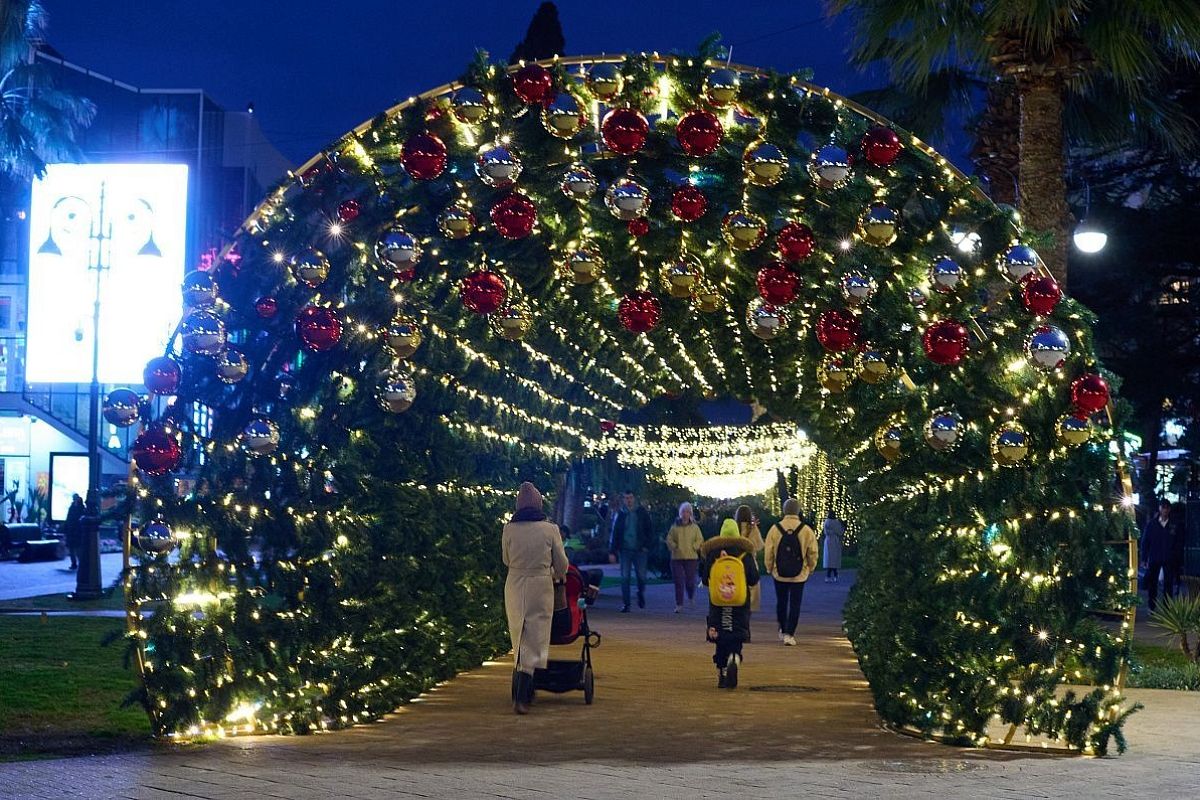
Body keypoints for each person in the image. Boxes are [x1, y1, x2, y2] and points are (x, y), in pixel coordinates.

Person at [502, 482, 568, 714]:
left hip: (515, 584)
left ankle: (521, 687)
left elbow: (506, 559)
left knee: (518, 634)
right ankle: (523, 692)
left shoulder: (509, 529)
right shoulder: (549, 529)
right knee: (535, 637)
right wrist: (554, 573)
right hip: (540, 586)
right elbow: (562, 564)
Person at [700, 519, 760, 689]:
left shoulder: (712, 554)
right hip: (740, 601)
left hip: (718, 602)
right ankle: (735, 655)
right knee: (737, 631)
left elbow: (705, 579)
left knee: (720, 634)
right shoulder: (744, 554)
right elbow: (754, 579)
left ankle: (722, 669)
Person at [764, 499, 820, 646]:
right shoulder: (806, 530)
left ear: (784, 510)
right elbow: (813, 552)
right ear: (798, 511)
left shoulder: (775, 529)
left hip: (779, 573)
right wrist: (811, 567)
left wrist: (769, 567)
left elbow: (768, 552)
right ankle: (790, 633)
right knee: (795, 603)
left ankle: (782, 629)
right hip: (799, 574)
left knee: (781, 602)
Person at [609, 489, 654, 612]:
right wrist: (612, 551)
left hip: (640, 550)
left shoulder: (641, 513)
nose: (628, 500)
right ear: (624, 500)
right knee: (625, 577)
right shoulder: (621, 514)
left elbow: (649, 530)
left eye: (630, 498)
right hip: (625, 550)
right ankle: (626, 603)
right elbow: (615, 533)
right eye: (626, 498)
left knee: (641, 576)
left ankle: (640, 592)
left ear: (634, 499)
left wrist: (647, 545)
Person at [665, 501, 704, 612]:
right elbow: (669, 539)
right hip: (676, 557)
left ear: (690, 514)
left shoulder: (695, 527)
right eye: (683, 512)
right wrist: (674, 546)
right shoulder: (674, 527)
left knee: (690, 582)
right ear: (680, 513)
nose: (685, 514)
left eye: (687, 512)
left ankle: (691, 596)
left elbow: (700, 539)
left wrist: (695, 546)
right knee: (678, 581)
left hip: (691, 557)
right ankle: (679, 604)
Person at [1140, 499, 1173, 612]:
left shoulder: (1173, 524)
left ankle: (1167, 608)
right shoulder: (1152, 524)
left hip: (1169, 558)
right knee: (1152, 583)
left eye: (1167, 508)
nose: (1165, 510)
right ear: (1159, 508)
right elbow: (1145, 542)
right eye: (1163, 507)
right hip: (1154, 557)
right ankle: (1151, 606)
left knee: (1168, 584)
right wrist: (1143, 559)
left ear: (1169, 509)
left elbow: (1178, 542)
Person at [734, 505, 765, 611]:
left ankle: (737, 603)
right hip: (750, 560)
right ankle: (750, 607)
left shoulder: (734, 527)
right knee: (752, 585)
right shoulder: (752, 528)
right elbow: (760, 545)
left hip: (736, 561)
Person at [1165, 501, 1186, 598]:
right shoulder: (1178, 523)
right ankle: (1176, 585)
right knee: (1175, 571)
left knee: (1170, 574)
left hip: (1172, 552)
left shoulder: (1173, 522)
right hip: (1176, 552)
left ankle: (1174, 587)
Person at [821, 513, 845, 583]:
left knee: (829, 558)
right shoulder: (837, 523)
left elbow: (825, 532)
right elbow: (840, 532)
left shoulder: (826, 522)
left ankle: (828, 576)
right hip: (835, 541)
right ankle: (835, 575)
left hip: (828, 541)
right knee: (834, 559)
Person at [64, 494, 85, 570]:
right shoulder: (72, 507)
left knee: (77, 549)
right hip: (71, 531)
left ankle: (80, 564)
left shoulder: (81, 508)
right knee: (71, 549)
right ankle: (74, 563)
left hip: (77, 531)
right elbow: (68, 518)